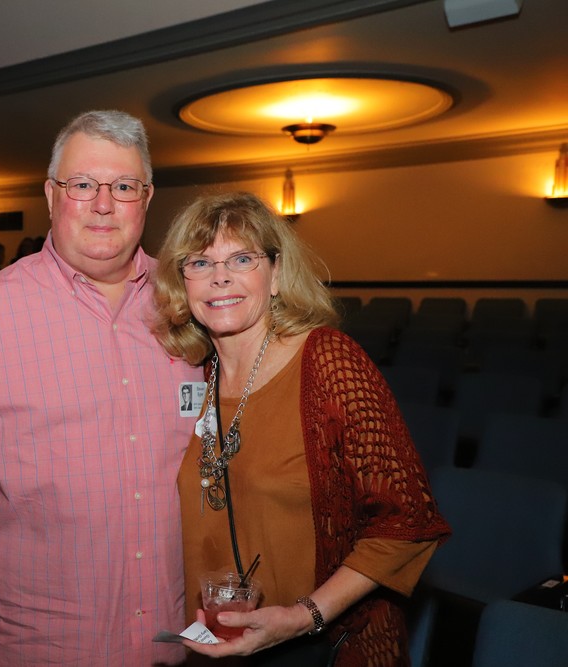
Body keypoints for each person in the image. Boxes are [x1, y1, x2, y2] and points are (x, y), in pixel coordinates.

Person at [0, 110, 201, 666]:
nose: (103, 204)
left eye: (124, 186)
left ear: (147, 198)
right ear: (50, 195)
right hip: (40, 652)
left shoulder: (192, 304)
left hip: (175, 646)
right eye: (82, 184)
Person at [150, 192, 450, 666]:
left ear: (275, 275)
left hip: (311, 647)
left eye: (241, 259)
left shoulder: (329, 362)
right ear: (181, 283)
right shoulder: (193, 375)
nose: (219, 276)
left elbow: (406, 522)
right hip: (214, 648)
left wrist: (303, 616)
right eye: (200, 262)